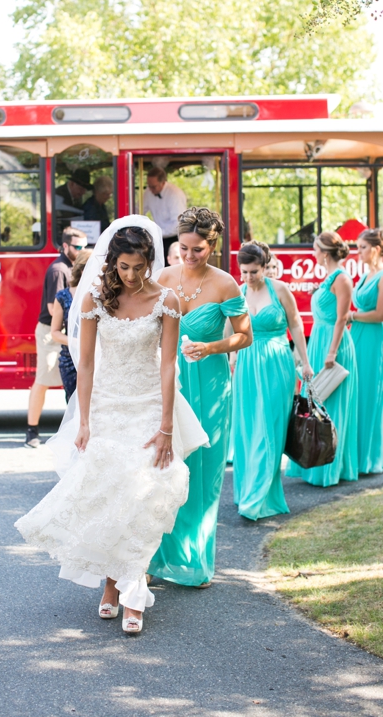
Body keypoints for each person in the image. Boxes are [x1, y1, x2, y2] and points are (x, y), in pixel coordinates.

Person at [16, 217, 208, 635]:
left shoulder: (168, 301)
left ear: (149, 262)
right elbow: (84, 364)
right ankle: (109, 583)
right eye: (124, 267)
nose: (133, 275)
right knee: (108, 493)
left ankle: (133, 589)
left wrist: (166, 426)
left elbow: (169, 364)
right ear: (112, 264)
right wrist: (83, 420)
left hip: (148, 405)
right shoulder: (93, 302)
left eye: (139, 267)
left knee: (144, 493)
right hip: (106, 405)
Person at [148, 207, 252, 588]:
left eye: (198, 250)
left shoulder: (226, 284)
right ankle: (156, 558)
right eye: (184, 249)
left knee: (203, 472)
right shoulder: (162, 277)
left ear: (213, 247)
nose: (189, 257)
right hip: (168, 381)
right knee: (161, 468)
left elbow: (245, 336)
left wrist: (211, 347)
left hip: (209, 385)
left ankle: (195, 561)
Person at [231, 242, 313, 520]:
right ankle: (246, 491)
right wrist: (231, 358)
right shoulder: (239, 292)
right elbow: (232, 330)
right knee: (248, 428)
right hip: (246, 365)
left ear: (265, 266)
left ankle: (258, 497)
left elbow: (296, 325)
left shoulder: (280, 290)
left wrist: (305, 362)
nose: (248, 277)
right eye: (244, 272)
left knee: (269, 429)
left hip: (277, 363)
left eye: (254, 271)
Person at [286, 232, 359, 486]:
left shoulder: (342, 278)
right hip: (319, 338)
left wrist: (332, 351)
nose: (313, 253)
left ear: (325, 252)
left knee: (333, 405)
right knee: (317, 403)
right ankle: (314, 461)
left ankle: (330, 469)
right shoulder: (328, 277)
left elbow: (342, 317)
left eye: (315, 248)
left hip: (333, 345)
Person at [25, 228, 88, 447]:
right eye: (77, 247)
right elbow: (54, 308)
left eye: (84, 247)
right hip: (50, 333)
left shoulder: (73, 268)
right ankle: (31, 432)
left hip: (67, 333)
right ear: (65, 246)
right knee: (42, 380)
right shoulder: (58, 269)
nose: (81, 251)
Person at [348, 229, 383, 474]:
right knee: (357, 394)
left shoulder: (381, 276)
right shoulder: (365, 275)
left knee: (370, 394)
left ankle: (370, 458)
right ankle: (356, 455)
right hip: (357, 336)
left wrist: (352, 315)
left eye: (362, 247)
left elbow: (380, 315)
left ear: (376, 248)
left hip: (372, 340)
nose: (358, 252)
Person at [50, 250, 93, 400]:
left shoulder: (102, 295)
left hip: (96, 358)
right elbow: (54, 332)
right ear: (82, 270)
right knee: (73, 403)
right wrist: (74, 342)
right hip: (70, 360)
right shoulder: (63, 296)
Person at [143, 166, 187, 254]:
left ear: (163, 183)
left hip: (174, 238)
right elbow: (139, 210)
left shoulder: (174, 195)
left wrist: (158, 232)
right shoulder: (148, 192)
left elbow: (178, 224)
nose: (150, 190)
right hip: (158, 238)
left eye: (153, 187)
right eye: (149, 186)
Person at [53, 168, 90, 244]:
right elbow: (56, 222)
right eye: (81, 189)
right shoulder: (58, 196)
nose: (83, 192)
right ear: (72, 184)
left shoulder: (76, 196)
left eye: (85, 190)